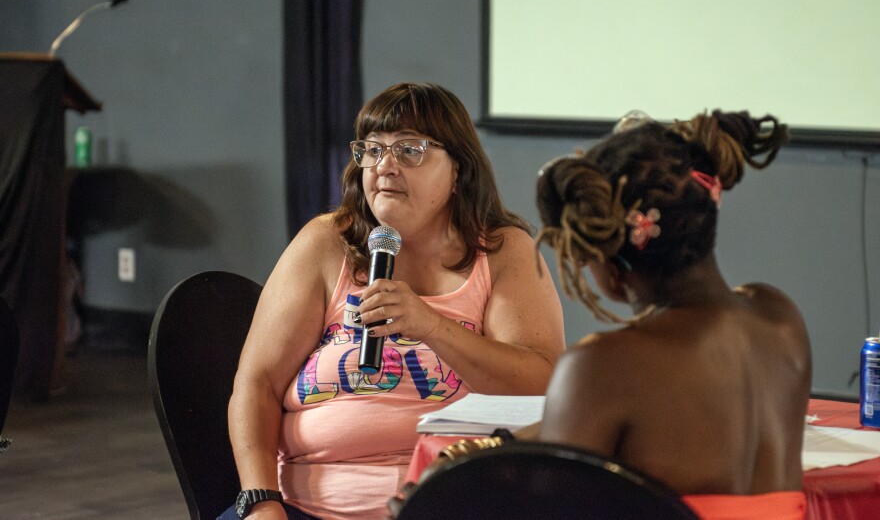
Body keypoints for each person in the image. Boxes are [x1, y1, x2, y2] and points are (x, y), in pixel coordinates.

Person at [397, 110, 812, 520]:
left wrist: (436, 506)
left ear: (609, 260)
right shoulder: (779, 317)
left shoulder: (604, 366)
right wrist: (486, 449)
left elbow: (542, 511)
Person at [222, 82, 565, 519]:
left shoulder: (503, 251)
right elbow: (257, 384)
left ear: (459, 169)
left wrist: (432, 326)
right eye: (372, 150)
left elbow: (541, 385)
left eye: (409, 150)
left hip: (452, 503)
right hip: (302, 506)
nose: (384, 166)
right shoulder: (325, 243)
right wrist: (260, 501)